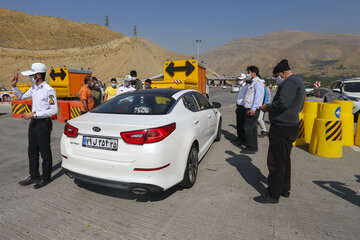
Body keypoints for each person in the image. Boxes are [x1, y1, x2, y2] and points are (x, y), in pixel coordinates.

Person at [255, 59, 305, 204]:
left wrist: (268, 107)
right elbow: (299, 105)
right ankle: (284, 188)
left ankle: (273, 194)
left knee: (275, 161)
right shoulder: (298, 82)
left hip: (282, 127)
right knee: (284, 159)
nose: (277, 79)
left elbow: (282, 102)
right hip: (290, 124)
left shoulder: (290, 82)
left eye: (277, 75)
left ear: (283, 73)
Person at [11, 62, 58, 189]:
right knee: (32, 151)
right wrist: (14, 86)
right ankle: (34, 176)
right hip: (34, 123)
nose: (30, 77)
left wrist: (34, 114)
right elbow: (21, 96)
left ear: (38, 75)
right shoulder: (34, 88)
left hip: (43, 123)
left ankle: (46, 178)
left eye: (31, 75)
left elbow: (54, 110)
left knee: (44, 151)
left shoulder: (49, 90)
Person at [240, 66, 264, 154]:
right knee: (252, 129)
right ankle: (253, 146)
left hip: (252, 109)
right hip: (249, 107)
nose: (248, 74)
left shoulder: (257, 83)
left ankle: (250, 147)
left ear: (254, 73)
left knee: (248, 128)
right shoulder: (252, 82)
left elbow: (257, 97)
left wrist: (253, 109)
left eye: (249, 72)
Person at [233, 73, 248, 145]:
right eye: (238, 79)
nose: (239, 81)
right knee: (238, 123)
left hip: (243, 107)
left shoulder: (247, 86)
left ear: (244, 79)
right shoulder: (240, 87)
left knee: (243, 124)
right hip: (239, 106)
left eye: (240, 79)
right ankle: (239, 137)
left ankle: (243, 139)